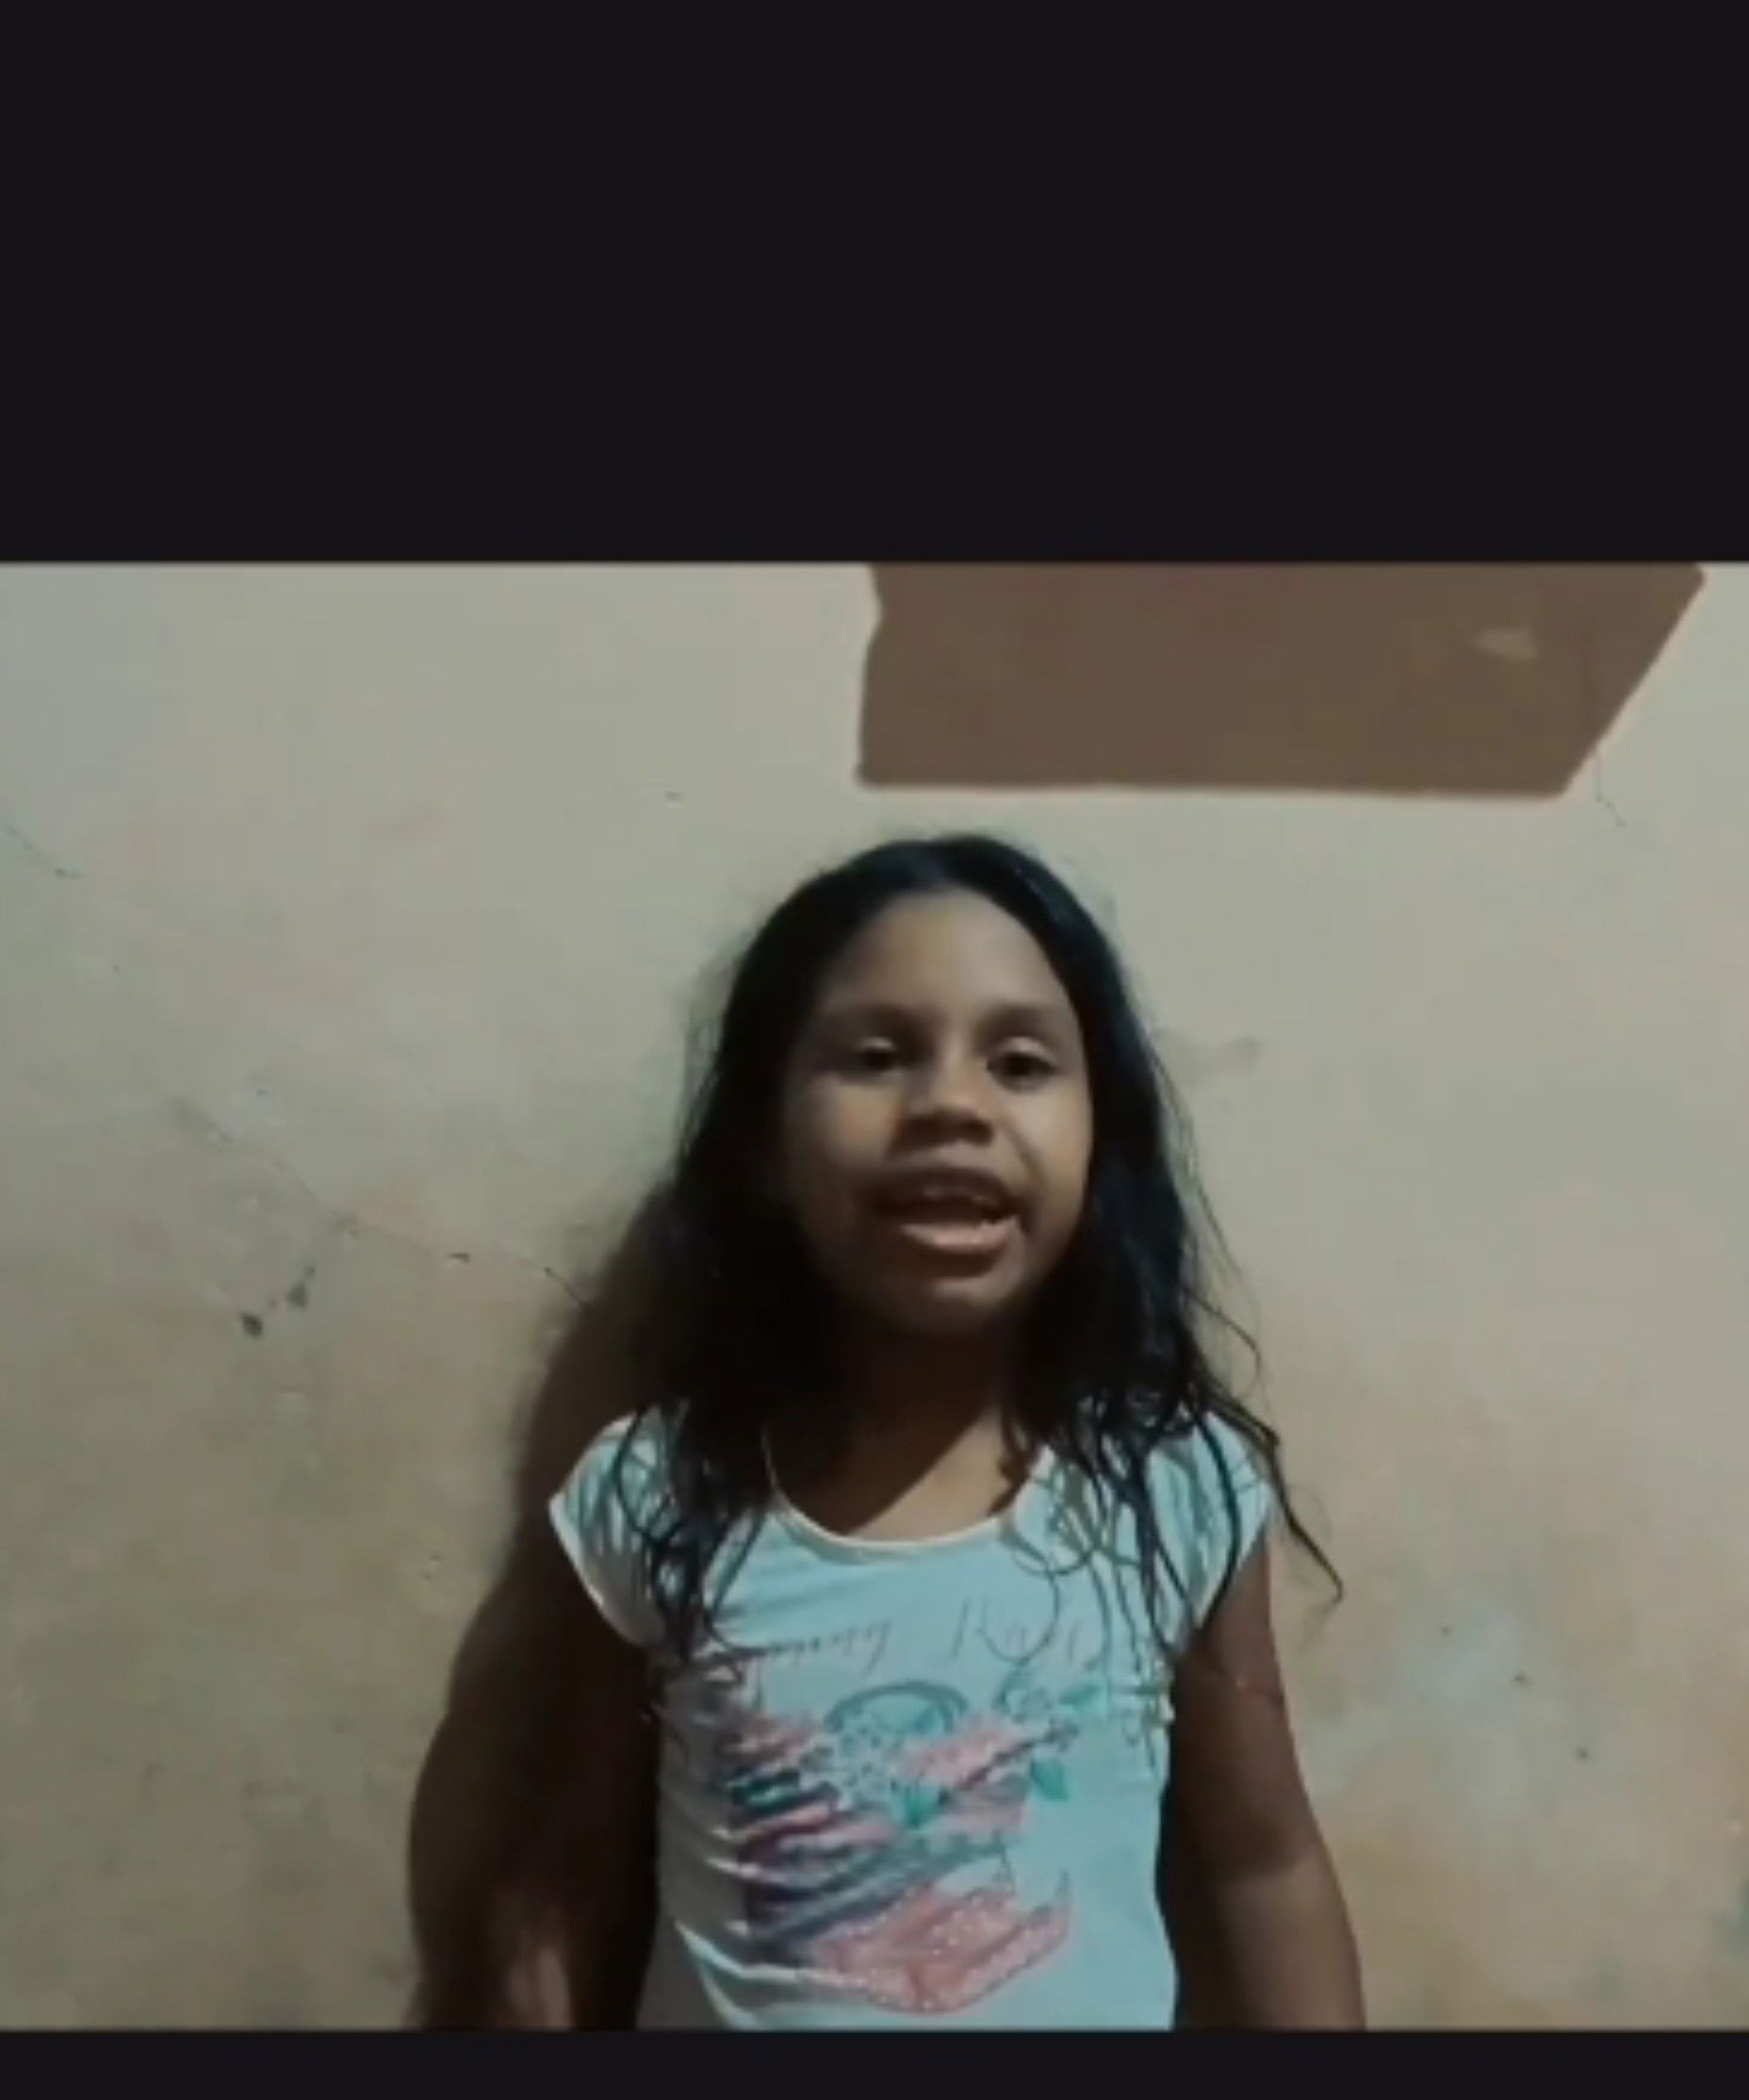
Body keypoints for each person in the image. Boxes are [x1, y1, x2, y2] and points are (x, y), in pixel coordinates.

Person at [446, 833, 1363, 2031]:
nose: (949, 1107)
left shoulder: (1169, 1487)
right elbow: (563, 1885)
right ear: (762, 1144)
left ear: (1102, 1139)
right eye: (876, 1057)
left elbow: (1263, 1867)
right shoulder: (658, 1493)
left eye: (1019, 1063)